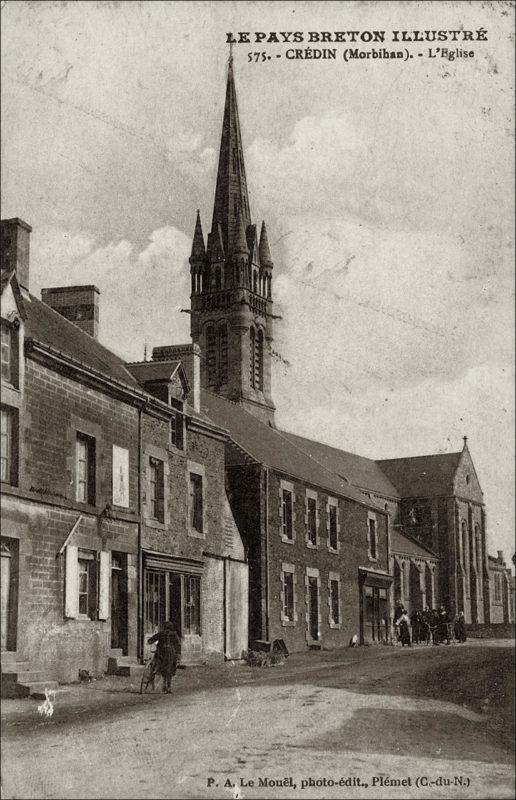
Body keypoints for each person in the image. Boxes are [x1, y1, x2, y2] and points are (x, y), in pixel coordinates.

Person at [147, 621, 181, 693]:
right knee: (170, 669)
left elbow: (151, 640)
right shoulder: (174, 634)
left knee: (162, 667)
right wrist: (178, 654)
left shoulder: (161, 633)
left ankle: (163, 684)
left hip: (161, 653)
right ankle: (168, 687)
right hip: (170, 653)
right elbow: (178, 645)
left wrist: (150, 642)